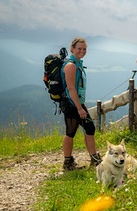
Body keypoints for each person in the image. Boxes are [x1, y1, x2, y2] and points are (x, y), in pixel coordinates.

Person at [60, 37, 102, 171]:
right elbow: (71, 88)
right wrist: (79, 108)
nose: (82, 51)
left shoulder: (77, 63)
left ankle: (94, 158)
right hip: (72, 104)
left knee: (89, 128)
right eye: (79, 48)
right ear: (72, 49)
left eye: (84, 49)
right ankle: (68, 163)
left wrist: (81, 105)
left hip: (77, 103)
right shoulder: (71, 65)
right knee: (70, 132)